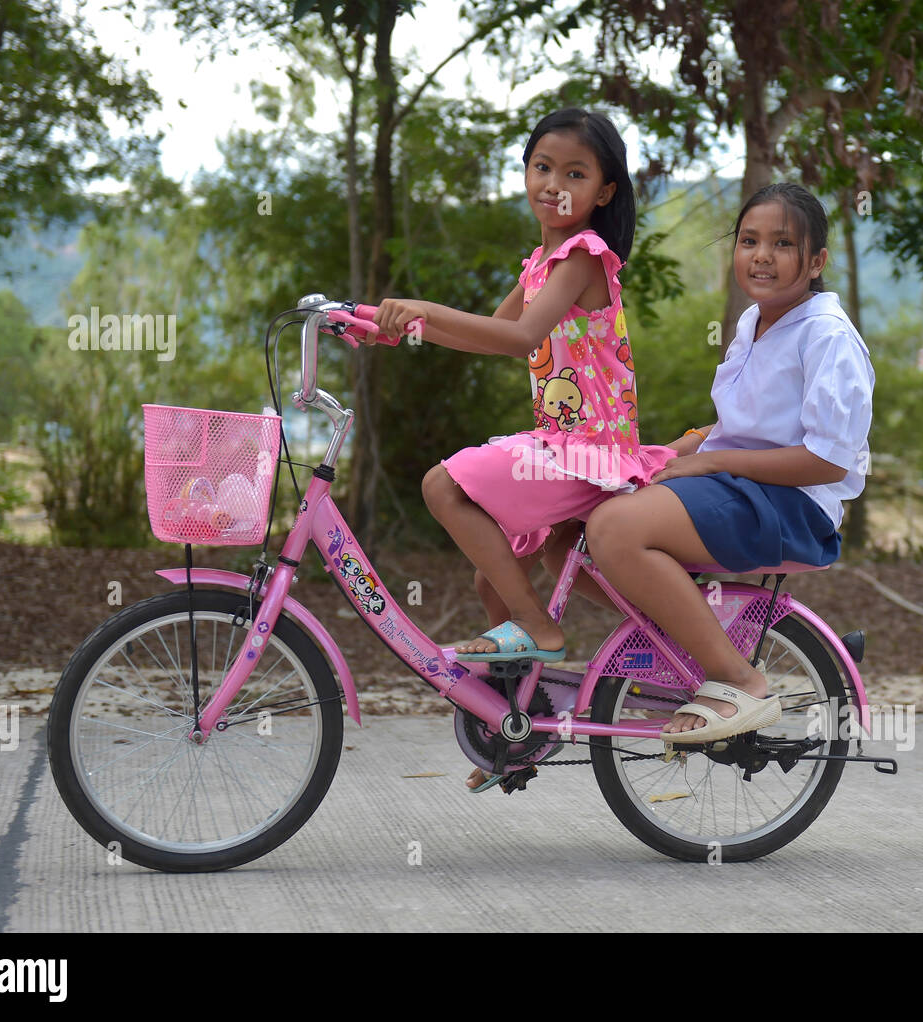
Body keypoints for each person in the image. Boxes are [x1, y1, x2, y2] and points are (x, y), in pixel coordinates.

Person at [369, 109, 675, 784]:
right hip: (562, 444)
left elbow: (515, 338)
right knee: (492, 572)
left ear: (604, 192)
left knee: (442, 486)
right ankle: (516, 725)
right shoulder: (541, 261)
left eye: (575, 173)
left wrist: (416, 308)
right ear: (526, 174)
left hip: (587, 447)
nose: (555, 185)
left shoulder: (582, 256)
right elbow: (486, 330)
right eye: (543, 168)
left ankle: (540, 629)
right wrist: (384, 327)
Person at [584, 181, 875, 744]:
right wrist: (668, 454)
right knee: (571, 521)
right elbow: (737, 428)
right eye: (749, 240)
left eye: (783, 244)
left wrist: (715, 466)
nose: (762, 255)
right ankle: (679, 660)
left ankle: (738, 677)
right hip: (740, 490)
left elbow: (827, 461)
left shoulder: (826, 336)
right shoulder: (753, 322)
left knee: (614, 530)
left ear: (816, 261)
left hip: (792, 508)